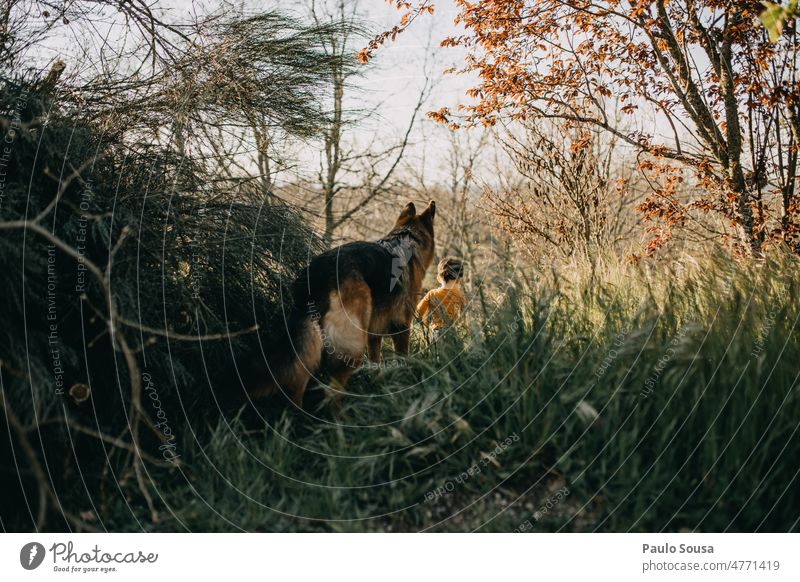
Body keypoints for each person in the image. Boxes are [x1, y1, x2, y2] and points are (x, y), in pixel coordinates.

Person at [416, 257, 467, 340]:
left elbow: (418, 312)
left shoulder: (432, 294)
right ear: (459, 278)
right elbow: (466, 315)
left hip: (437, 333)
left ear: (439, 277)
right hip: (453, 332)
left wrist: (426, 323)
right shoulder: (461, 296)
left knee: (437, 353)